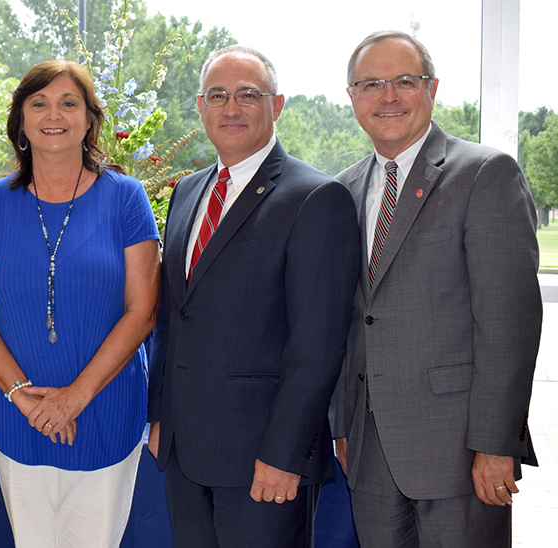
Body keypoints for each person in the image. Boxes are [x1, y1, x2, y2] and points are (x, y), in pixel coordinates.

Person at [330, 31, 542, 547]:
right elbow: (345, 317)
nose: (388, 96)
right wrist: (342, 421)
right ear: (353, 97)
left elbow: (508, 326)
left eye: (405, 81)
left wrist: (496, 444)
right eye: (371, 84)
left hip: (460, 451)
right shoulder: (342, 189)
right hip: (368, 447)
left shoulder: (484, 174)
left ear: (432, 88)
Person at [147, 45, 360, 547]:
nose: (231, 108)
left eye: (248, 94)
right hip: (184, 452)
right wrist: (162, 416)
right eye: (217, 96)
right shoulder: (187, 193)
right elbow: (173, 318)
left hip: (263, 461)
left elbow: (318, 346)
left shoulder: (316, 197)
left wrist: (286, 454)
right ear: (200, 107)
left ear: (277, 105)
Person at [0, 60, 160, 548]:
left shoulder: (127, 198)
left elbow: (143, 312)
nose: (55, 114)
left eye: (69, 102)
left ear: (90, 119)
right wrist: (23, 396)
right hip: (16, 411)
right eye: (39, 103)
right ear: (21, 121)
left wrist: (74, 398)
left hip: (105, 409)